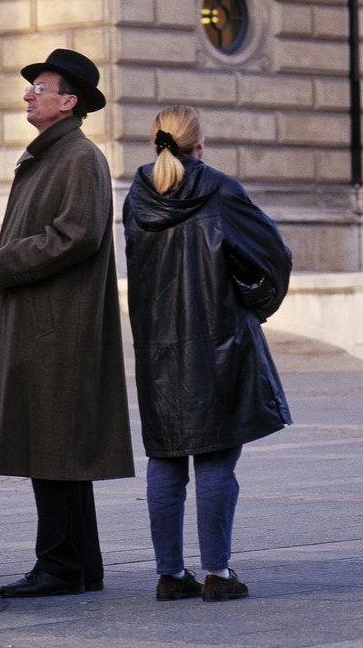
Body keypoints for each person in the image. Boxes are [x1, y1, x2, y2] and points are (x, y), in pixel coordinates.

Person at [0, 48, 134, 597]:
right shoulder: (53, 154)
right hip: (49, 323)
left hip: (57, 329)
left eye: (38, 88)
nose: (27, 95)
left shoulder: (77, 157)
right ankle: (80, 565)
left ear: (68, 102)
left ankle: (60, 566)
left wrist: (6, 262)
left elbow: (76, 234)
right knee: (55, 448)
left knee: (53, 447)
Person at [123, 105, 292, 603]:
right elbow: (273, 256)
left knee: (166, 458)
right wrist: (256, 305)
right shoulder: (219, 189)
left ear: (155, 142)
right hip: (219, 344)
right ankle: (217, 573)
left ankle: (170, 575)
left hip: (158, 350)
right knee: (217, 458)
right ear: (199, 144)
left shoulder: (136, 196)